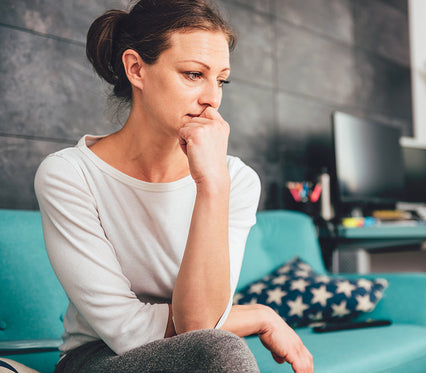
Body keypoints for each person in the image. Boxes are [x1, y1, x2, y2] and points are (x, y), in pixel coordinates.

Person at [34, 0, 313, 372]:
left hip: (198, 351)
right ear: (136, 69)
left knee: (216, 348)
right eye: (194, 74)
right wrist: (258, 315)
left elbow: (200, 326)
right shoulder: (69, 175)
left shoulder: (237, 180)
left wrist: (212, 184)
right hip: (97, 359)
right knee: (220, 351)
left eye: (221, 79)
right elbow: (129, 330)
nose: (212, 98)